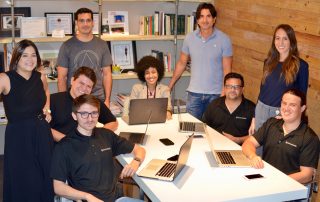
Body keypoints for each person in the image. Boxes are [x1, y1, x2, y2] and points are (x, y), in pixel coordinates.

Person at [51, 94, 146, 201]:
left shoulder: (106, 135)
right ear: (74, 115)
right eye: (84, 114)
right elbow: (57, 187)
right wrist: (87, 197)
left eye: (94, 113)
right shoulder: (64, 146)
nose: (90, 118)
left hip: (116, 199)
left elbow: (139, 149)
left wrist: (136, 161)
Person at [0, 39, 54, 201]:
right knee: (22, 179)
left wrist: (47, 109)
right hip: (19, 137)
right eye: (25, 56)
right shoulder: (5, 78)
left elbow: (46, 93)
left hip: (42, 133)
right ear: (16, 58)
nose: (30, 60)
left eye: (33, 55)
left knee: (44, 177)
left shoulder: (40, 77)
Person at [168, 2, 233, 120]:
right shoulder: (189, 38)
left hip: (216, 95)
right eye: (201, 16)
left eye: (208, 16)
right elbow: (182, 63)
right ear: (197, 20)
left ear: (214, 19)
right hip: (194, 95)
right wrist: (170, 85)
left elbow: (227, 70)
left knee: (213, 131)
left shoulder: (224, 40)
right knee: (190, 128)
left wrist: (224, 92)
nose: (205, 20)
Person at [242, 89, 320, 184]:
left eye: (292, 105)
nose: (286, 108)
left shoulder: (310, 138)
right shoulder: (271, 123)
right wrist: (253, 156)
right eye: (284, 103)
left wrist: (277, 181)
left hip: (288, 190)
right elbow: (248, 143)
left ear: (302, 108)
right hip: (264, 180)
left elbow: (307, 175)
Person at [250, 24, 309, 134]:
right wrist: (254, 117)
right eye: (277, 38)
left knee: (274, 150)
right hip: (261, 110)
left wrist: (287, 116)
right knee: (257, 149)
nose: (280, 43)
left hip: (281, 114)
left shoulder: (301, 66)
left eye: (285, 39)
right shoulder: (268, 62)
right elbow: (262, 91)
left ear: (291, 41)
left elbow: (301, 98)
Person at [57, 7, 113, 107]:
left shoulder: (102, 44)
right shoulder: (66, 46)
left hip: (97, 98)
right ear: (76, 23)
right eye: (81, 21)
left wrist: (107, 99)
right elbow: (62, 77)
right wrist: (63, 101)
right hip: (74, 99)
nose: (85, 24)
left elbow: (107, 74)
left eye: (88, 20)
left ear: (93, 23)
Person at [50, 66, 118, 142]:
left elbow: (113, 122)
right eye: (81, 83)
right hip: (60, 147)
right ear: (72, 80)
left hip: (86, 147)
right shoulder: (53, 100)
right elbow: (44, 128)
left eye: (88, 86)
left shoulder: (94, 102)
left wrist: (97, 134)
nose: (84, 88)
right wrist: (68, 141)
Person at [203, 72, 255, 144]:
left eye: (236, 87)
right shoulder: (214, 105)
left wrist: (238, 140)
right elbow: (205, 127)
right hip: (215, 145)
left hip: (240, 149)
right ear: (224, 88)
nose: (232, 90)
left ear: (242, 89)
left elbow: (257, 136)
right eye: (229, 86)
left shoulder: (252, 109)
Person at [123, 55, 172, 120]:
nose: (151, 76)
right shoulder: (136, 88)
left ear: (158, 73)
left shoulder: (164, 89)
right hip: (140, 121)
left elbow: (168, 108)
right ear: (143, 75)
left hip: (158, 122)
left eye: (153, 72)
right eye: (147, 73)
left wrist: (168, 113)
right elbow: (132, 110)